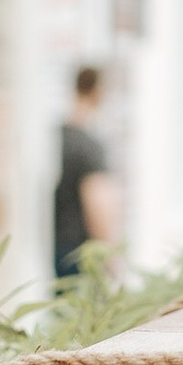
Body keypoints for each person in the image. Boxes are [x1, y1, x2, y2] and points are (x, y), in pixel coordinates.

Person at [52, 64, 119, 282]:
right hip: (84, 254)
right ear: (97, 91)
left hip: (56, 247)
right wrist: (110, 258)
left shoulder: (58, 136)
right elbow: (97, 204)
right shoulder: (89, 145)